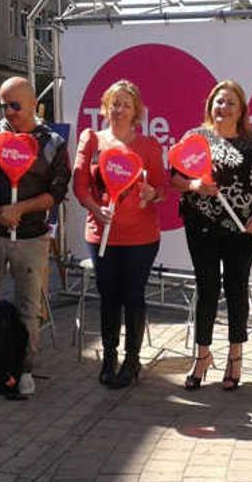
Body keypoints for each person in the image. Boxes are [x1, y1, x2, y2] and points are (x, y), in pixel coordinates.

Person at [0, 76, 71, 397]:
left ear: (33, 103)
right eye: (3, 104)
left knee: (29, 306)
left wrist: (21, 207)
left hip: (32, 236)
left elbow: (57, 192)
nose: (8, 111)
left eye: (15, 105)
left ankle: (24, 369)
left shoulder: (51, 143)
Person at [170, 80, 252, 391]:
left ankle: (235, 355)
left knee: (236, 288)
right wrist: (193, 186)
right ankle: (202, 356)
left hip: (242, 229)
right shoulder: (195, 138)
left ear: (241, 110)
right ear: (210, 106)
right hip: (201, 226)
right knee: (207, 288)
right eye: (218, 101)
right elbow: (175, 176)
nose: (223, 108)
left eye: (230, 103)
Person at [73, 79, 165, 389]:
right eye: (114, 103)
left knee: (133, 297)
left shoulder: (149, 146)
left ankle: (132, 359)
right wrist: (94, 208)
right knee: (108, 296)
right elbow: (80, 185)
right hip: (102, 235)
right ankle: (109, 357)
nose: (119, 110)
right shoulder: (92, 139)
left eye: (126, 104)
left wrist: (151, 193)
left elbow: (163, 190)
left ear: (136, 111)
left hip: (142, 237)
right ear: (105, 107)